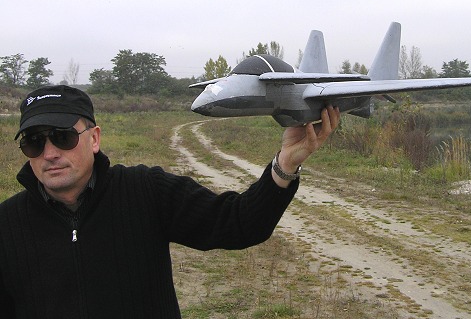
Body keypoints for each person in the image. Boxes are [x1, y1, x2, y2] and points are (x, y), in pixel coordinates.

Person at [0, 85, 340, 318]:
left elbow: (238, 224)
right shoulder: (7, 225)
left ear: (94, 139)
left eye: (62, 137)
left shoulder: (146, 191)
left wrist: (285, 165)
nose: (49, 153)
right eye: (33, 142)